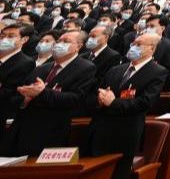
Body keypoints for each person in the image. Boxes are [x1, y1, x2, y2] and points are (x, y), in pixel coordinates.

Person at [85, 33, 167, 179]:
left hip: (125, 134)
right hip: (99, 131)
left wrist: (114, 102)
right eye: (133, 44)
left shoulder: (157, 72)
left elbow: (146, 102)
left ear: (152, 48)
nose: (133, 47)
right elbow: (94, 94)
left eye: (139, 44)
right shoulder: (116, 69)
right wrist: (99, 100)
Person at [7, 30, 97, 156]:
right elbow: (17, 95)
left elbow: (74, 98)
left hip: (51, 131)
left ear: (78, 46)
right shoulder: (40, 68)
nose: (59, 44)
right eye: (59, 41)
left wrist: (42, 93)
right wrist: (24, 99)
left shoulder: (86, 68)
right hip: (23, 130)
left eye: (66, 41)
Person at [0, 23, 35, 153]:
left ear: (24, 40)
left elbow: (11, 93)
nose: (4, 39)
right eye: (2, 36)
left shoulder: (25, 63)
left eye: (11, 36)